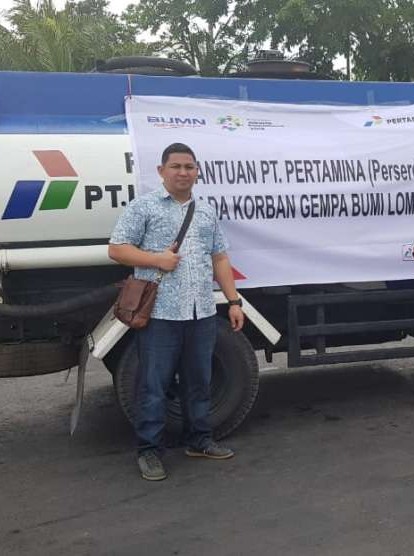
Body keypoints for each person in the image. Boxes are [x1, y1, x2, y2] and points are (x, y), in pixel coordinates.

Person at [109, 142, 245, 481]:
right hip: (160, 316)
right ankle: (149, 451)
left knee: (199, 381)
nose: (183, 172)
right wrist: (157, 259)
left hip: (201, 313)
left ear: (197, 171)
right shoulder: (144, 207)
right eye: (176, 166)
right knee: (154, 385)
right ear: (161, 171)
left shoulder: (206, 210)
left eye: (189, 166)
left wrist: (233, 301)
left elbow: (220, 258)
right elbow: (116, 249)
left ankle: (199, 440)